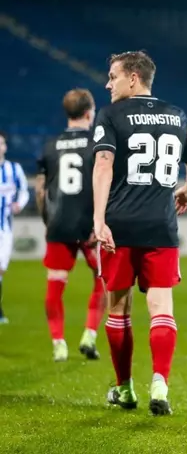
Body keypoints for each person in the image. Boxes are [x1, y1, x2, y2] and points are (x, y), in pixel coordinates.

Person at [92, 51, 187, 415]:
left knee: (119, 311)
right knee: (161, 309)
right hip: (161, 226)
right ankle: (160, 383)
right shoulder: (176, 114)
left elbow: (103, 165)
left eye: (113, 76)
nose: (108, 84)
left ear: (134, 77)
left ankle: (124, 390)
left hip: (120, 227)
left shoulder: (110, 115)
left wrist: (98, 219)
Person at [36, 88, 105, 362]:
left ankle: (58, 344)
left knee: (55, 285)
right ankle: (89, 334)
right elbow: (104, 183)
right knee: (102, 281)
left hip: (59, 225)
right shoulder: (97, 144)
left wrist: (47, 220)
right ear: (90, 113)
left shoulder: (50, 146)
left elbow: (41, 190)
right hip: (90, 225)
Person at [0, 130, 30, 324]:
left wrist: (19, 203)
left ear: (5, 146)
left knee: (1, 268)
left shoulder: (14, 169)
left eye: (1, 143)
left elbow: (24, 191)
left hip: (5, 227)